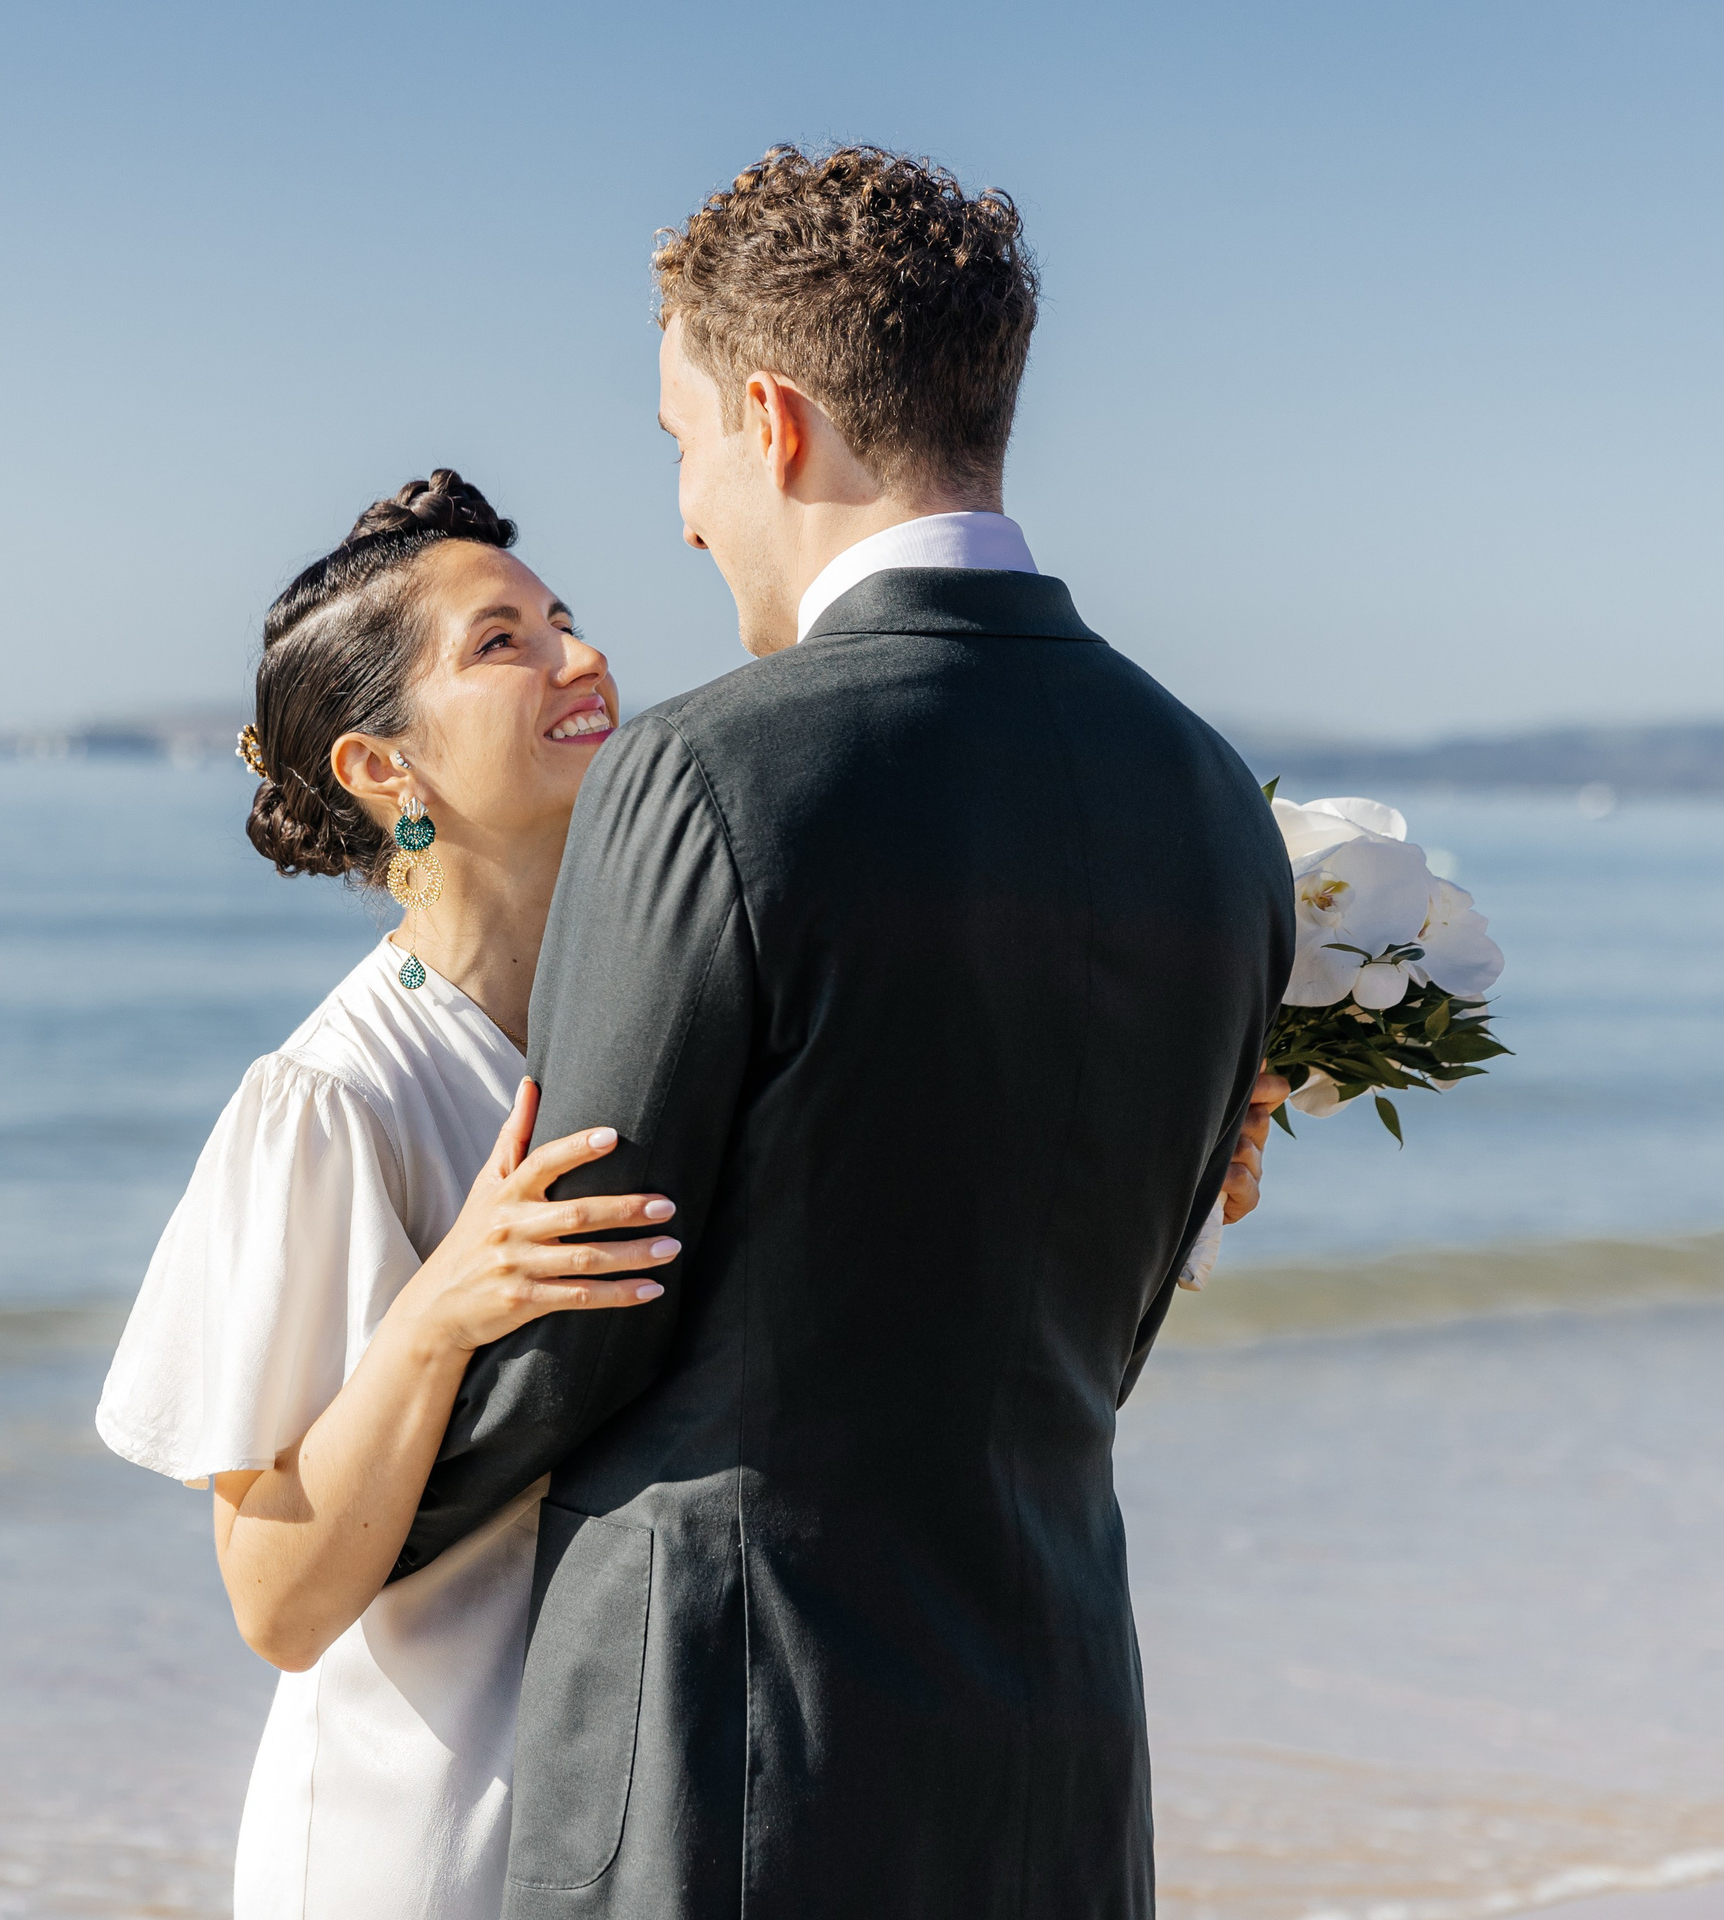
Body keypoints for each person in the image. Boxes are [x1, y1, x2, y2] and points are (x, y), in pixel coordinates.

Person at [97, 452, 1284, 1906]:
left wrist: (1172, 1155)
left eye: (561, 617)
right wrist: (439, 1312)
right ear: (378, 766)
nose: (580, 658)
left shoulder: (680, 1007)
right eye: (501, 644)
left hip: (678, 1804)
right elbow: (275, 1598)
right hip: (432, 1832)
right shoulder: (337, 1098)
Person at [390, 147, 1296, 1918]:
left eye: (681, 447)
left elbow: (594, 1280)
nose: (682, 514)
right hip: (1057, 1740)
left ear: (774, 419)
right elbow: (1104, 1313)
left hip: (737, 1757)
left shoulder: (716, 769)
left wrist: (354, 1506)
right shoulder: (1208, 799)